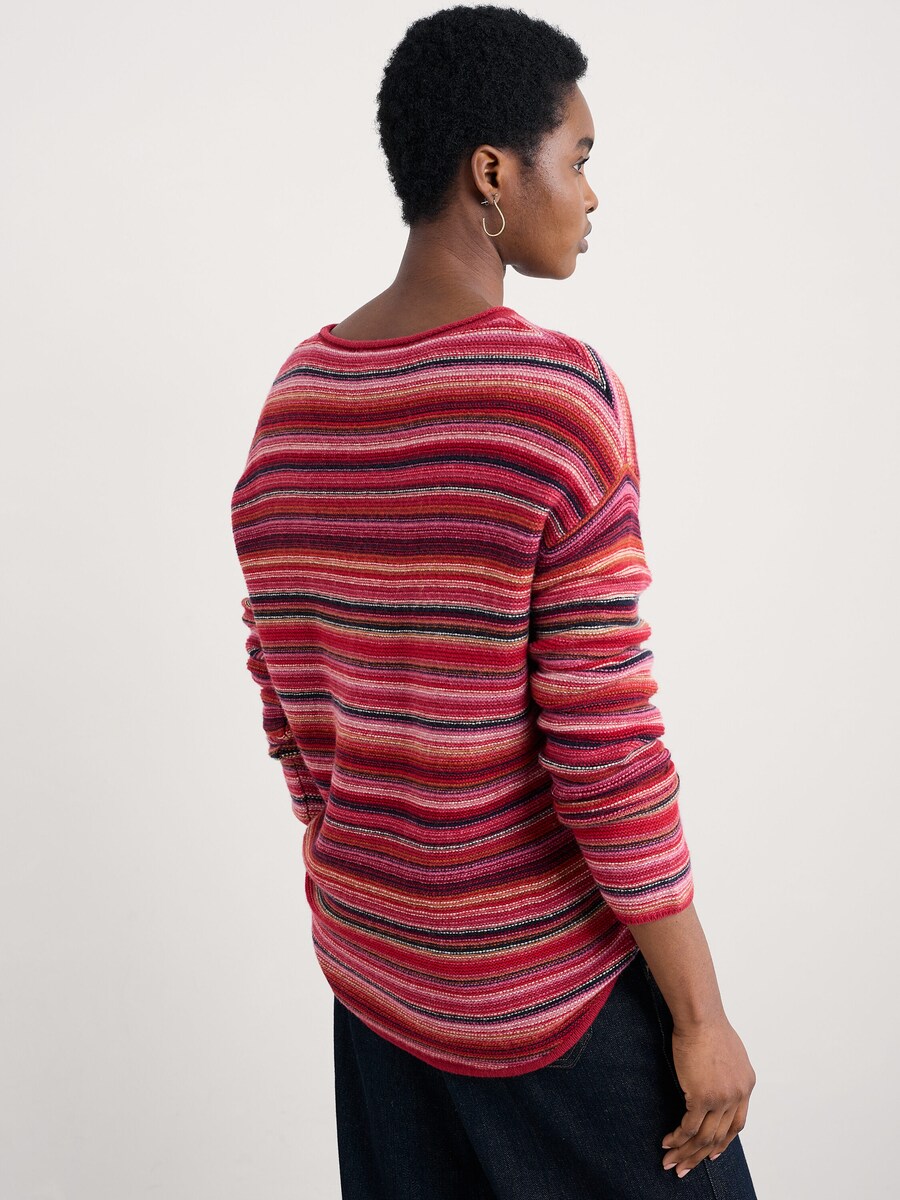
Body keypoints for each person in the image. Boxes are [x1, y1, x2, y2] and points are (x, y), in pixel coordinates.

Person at [230, 5, 758, 1197]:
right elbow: (605, 749)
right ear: (491, 174)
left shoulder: (295, 400)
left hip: (375, 985)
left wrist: (373, 861)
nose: (592, 192)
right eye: (578, 156)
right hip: (547, 1005)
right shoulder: (552, 400)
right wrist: (699, 1015)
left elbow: (284, 691)